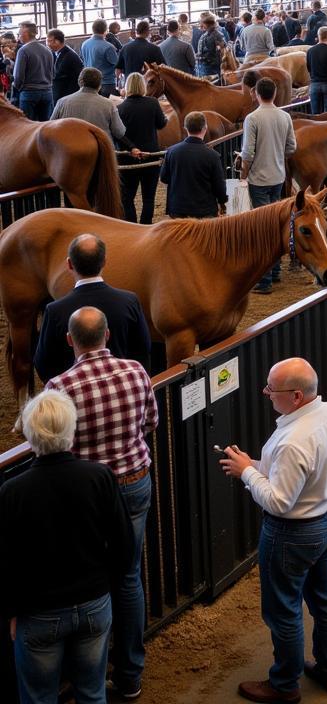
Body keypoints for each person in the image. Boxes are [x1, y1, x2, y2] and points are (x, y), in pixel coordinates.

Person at [220, 358, 327, 704]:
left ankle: (284, 684)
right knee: (325, 599)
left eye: (272, 389)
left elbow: (279, 502)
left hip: (292, 534)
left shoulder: (293, 440)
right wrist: (254, 464)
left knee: (283, 610)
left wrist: (247, 474)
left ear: (296, 396)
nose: (266, 393)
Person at [45, 306, 158, 702]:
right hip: (134, 482)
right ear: (108, 336)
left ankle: (84, 676)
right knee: (129, 577)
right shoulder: (136, 371)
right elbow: (150, 423)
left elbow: (56, 445)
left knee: (90, 579)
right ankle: (129, 675)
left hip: (87, 494)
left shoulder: (60, 386)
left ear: (69, 340)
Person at [0, 389, 134, 704]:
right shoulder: (99, 476)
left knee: (39, 697)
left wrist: (11, 611)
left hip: (39, 613)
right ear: (71, 432)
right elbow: (124, 545)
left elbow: (5, 562)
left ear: (30, 436)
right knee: (92, 692)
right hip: (94, 605)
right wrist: (106, 588)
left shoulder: (12, 492)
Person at [33, 231, 151, 382]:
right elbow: (143, 349)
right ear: (104, 262)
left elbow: (43, 363)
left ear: (69, 264)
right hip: (122, 386)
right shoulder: (130, 301)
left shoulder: (54, 311)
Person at [240, 77, 297, 293]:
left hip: (258, 179)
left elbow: (248, 152)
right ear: (274, 94)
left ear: (256, 94)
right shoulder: (285, 116)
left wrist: (244, 175)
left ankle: (264, 280)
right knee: (275, 225)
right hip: (277, 177)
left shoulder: (252, 118)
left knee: (263, 229)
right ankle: (275, 271)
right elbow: (292, 147)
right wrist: (278, 156)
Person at [52, 68, 143, 159]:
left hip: (69, 154)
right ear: (99, 85)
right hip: (100, 155)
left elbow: (51, 127)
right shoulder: (108, 105)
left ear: (80, 81)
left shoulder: (62, 102)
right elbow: (119, 132)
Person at [117, 72, 167, 224]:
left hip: (127, 157)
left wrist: (132, 148)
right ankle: (146, 225)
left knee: (127, 197)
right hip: (150, 155)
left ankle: (131, 225)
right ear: (143, 85)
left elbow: (118, 134)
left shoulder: (120, 108)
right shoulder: (152, 103)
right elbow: (161, 124)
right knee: (149, 197)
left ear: (127, 87)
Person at [159, 111, 228, 219]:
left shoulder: (171, 152)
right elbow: (219, 185)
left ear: (185, 128)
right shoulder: (213, 156)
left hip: (177, 210)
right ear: (205, 128)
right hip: (204, 212)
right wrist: (222, 202)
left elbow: (164, 178)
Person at [11, 20, 53, 120]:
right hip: (47, 93)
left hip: (29, 93)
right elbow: (53, 73)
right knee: (44, 126)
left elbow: (18, 77)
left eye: (19, 33)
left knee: (28, 127)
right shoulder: (47, 50)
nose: (18, 37)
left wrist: (18, 88)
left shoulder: (23, 50)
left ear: (25, 34)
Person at [47, 28, 83, 106]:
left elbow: (57, 74)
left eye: (49, 41)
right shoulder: (56, 53)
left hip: (67, 94)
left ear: (57, 41)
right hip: (61, 93)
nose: (47, 44)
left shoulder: (68, 55)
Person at [195, 12, 226, 79]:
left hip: (208, 67)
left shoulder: (206, 37)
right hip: (217, 65)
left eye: (202, 23)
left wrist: (197, 56)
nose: (201, 25)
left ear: (205, 24)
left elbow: (208, 53)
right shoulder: (219, 34)